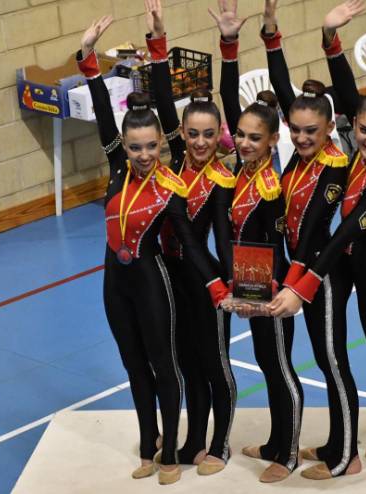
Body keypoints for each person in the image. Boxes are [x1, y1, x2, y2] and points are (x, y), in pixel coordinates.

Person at [77, 15, 229, 485]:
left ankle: (170, 456)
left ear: (163, 142)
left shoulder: (170, 187)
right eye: (134, 147)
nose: (143, 155)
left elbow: (190, 243)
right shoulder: (117, 169)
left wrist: (218, 285)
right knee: (133, 365)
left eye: (150, 146)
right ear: (123, 146)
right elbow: (103, 109)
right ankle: (148, 447)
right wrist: (88, 56)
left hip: (151, 281)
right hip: (114, 282)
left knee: (165, 366)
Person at [268, 80, 366, 490]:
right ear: (353, 124)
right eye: (364, 130)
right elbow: (336, 91)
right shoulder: (360, 156)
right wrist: (328, 45)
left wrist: (302, 286)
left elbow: (343, 235)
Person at [257, 0, 366, 480]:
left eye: (311, 132)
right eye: (296, 130)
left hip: (325, 271)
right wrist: (271, 33)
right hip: (302, 268)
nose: (301, 138)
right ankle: (333, 444)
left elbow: (314, 233)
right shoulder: (301, 157)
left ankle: (346, 456)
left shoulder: (334, 166)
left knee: (331, 359)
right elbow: (283, 89)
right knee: (325, 358)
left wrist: (295, 284)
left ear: (329, 128)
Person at [210, 0, 304, 483]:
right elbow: (229, 96)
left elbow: (271, 248)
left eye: (255, 138)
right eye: (241, 135)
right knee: (267, 363)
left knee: (280, 365)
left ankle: (288, 454)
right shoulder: (239, 171)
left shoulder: (272, 183)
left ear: (272, 142)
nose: (245, 142)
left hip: (272, 286)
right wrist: (229, 43)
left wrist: (272, 36)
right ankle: (274, 441)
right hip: (248, 283)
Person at [143, 0, 238, 476]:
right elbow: (164, 98)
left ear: (220, 135)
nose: (200, 143)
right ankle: (194, 439)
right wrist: (158, 41)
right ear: (181, 133)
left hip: (206, 279)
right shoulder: (177, 160)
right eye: (193, 134)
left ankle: (220, 443)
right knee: (187, 362)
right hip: (172, 277)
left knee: (215, 362)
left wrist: (227, 284)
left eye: (208, 135)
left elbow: (221, 239)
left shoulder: (222, 180)